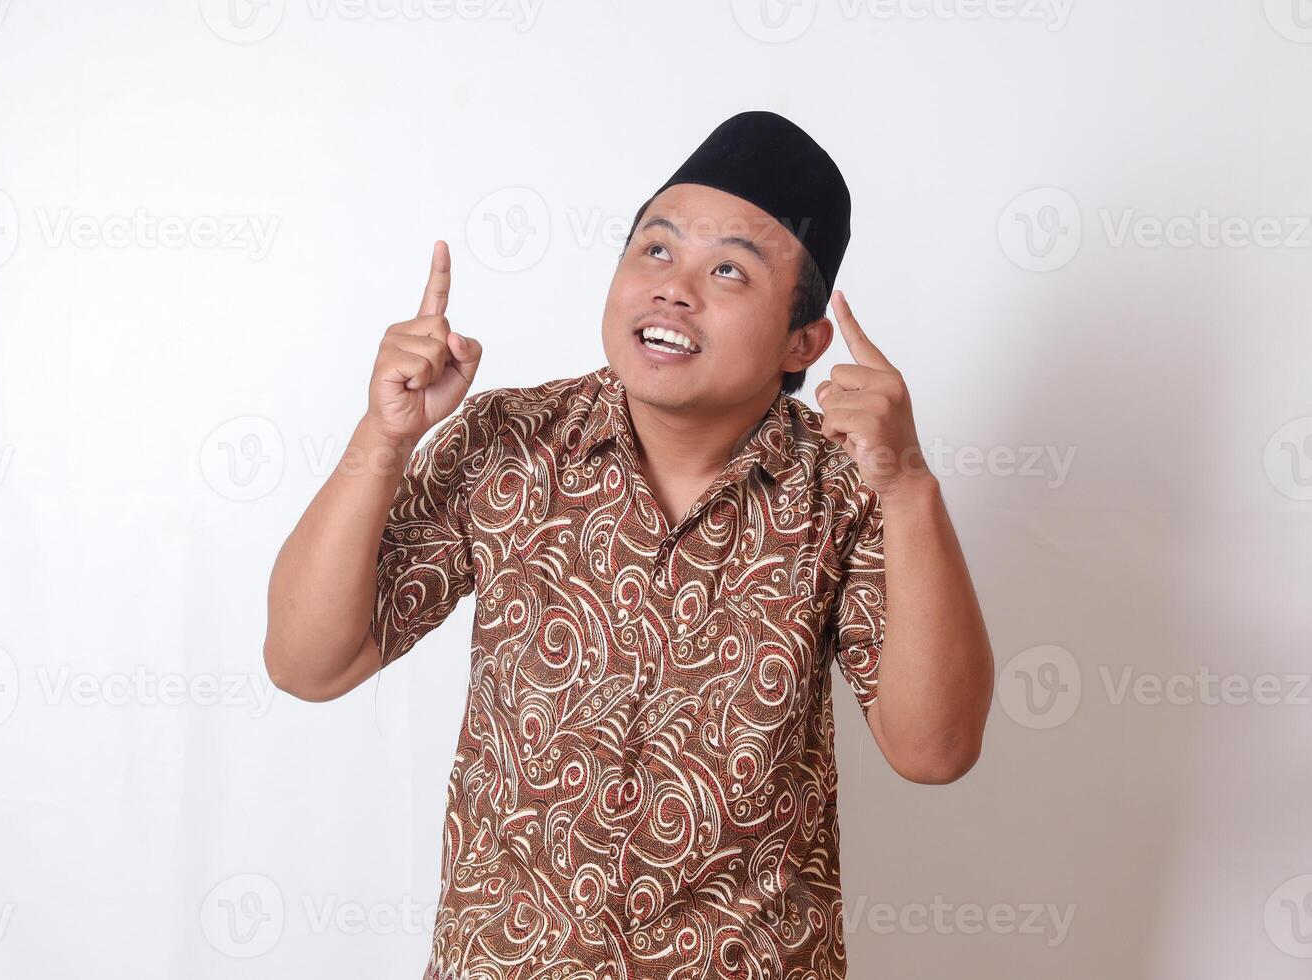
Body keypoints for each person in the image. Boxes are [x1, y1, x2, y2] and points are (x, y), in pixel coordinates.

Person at [263, 110, 994, 980]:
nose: (673, 288)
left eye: (728, 269)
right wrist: (385, 437)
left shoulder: (846, 492)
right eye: (655, 250)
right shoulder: (507, 442)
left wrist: (909, 487)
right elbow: (310, 664)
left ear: (803, 342)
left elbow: (934, 751)